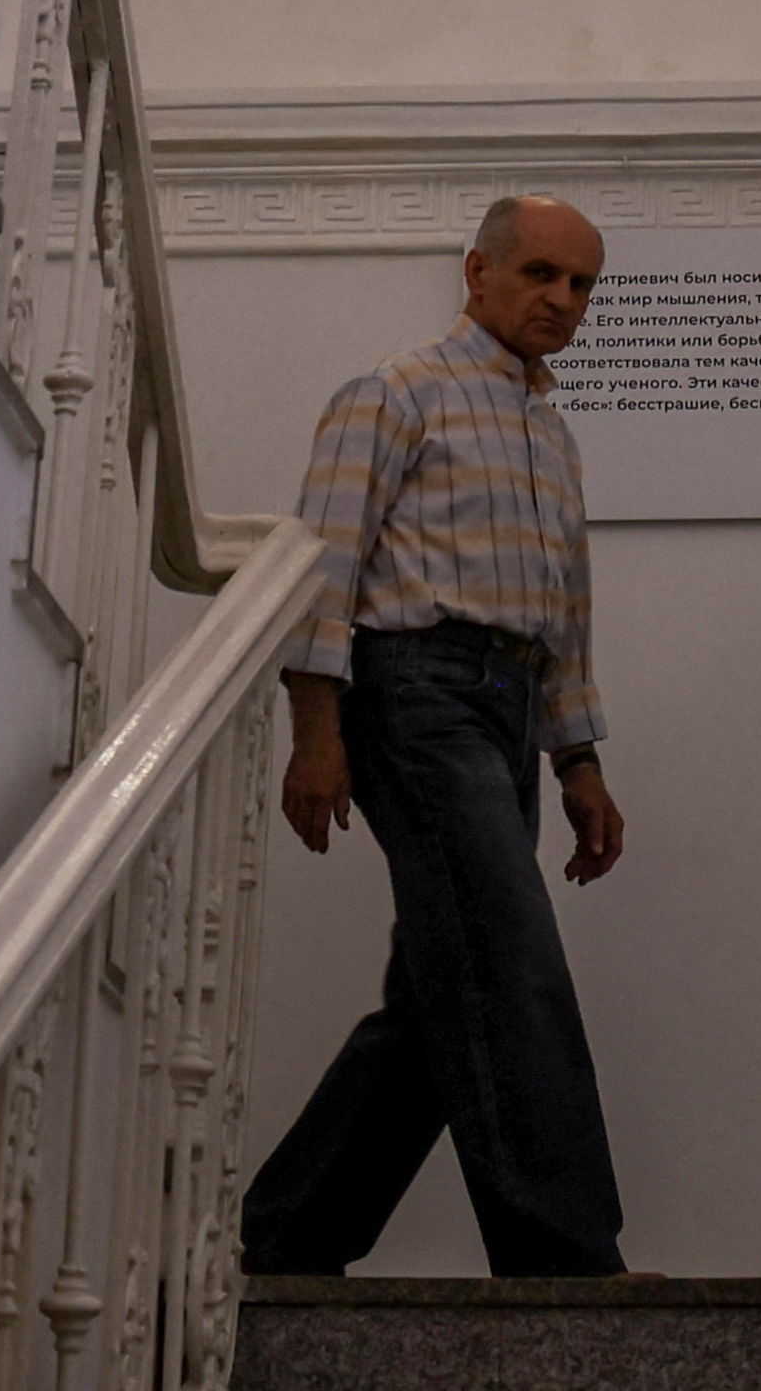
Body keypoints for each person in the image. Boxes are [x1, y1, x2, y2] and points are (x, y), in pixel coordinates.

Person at [238, 191, 632, 1279]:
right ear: (478, 271)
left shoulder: (552, 435)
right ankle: (566, 1262)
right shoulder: (394, 390)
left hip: (504, 713)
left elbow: (564, 614)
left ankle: (280, 1241)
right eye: (542, 273)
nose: (562, 298)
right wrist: (316, 732)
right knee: (511, 964)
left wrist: (579, 761)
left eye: (582, 283)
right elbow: (321, 569)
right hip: (412, 694)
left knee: (438, 1001)